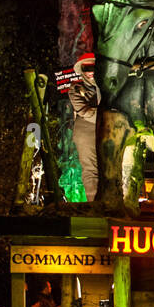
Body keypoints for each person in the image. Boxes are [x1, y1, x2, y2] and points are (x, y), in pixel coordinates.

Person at [69, 52, 101, 201]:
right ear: (81, 70)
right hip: (86, 131)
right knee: (90, 169)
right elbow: (84, 111)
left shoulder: (106, 86)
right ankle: (93, 203)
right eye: (86, 68)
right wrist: (106, 114)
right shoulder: (76, 88)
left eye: (93, 67)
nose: (90, 72)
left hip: (105, 129)